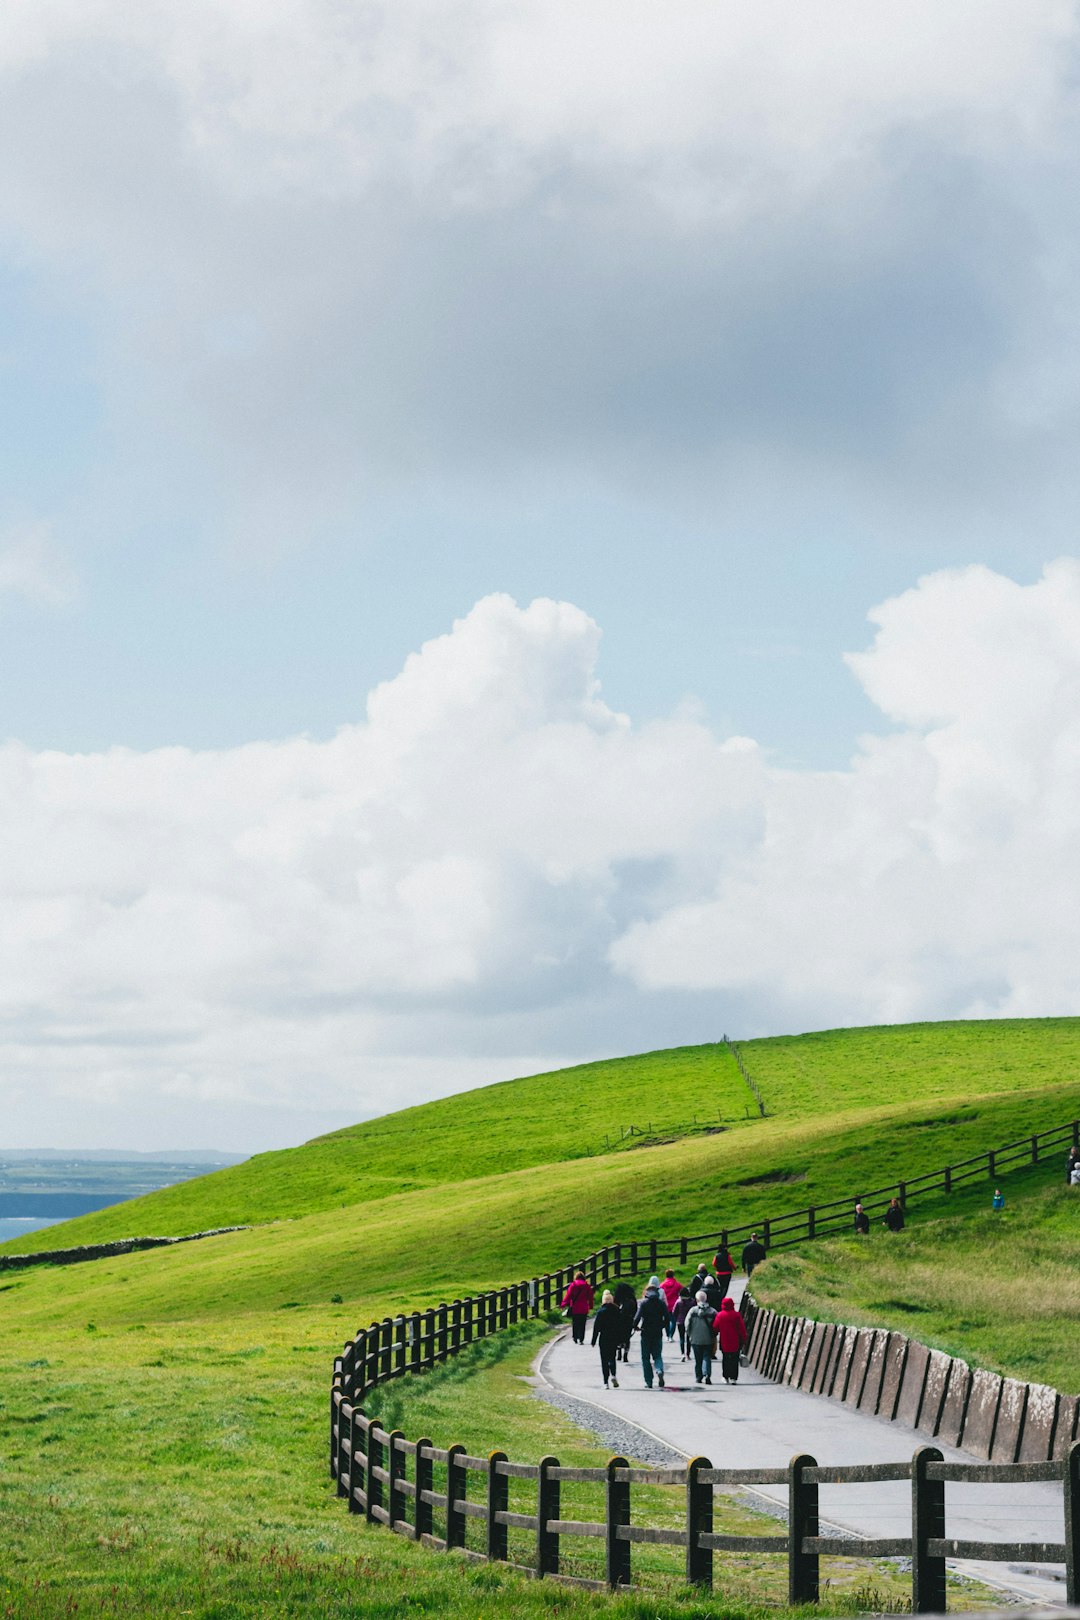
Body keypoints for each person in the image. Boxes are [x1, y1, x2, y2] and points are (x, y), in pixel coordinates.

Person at [633, 1278, 670, 1389]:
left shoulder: (644, 1303)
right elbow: (667, 1318)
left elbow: (637, 1318)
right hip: (657, 1332)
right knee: (657, 1355)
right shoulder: (661, 1303)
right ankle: (659, 1370)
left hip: (646, 1332)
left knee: (645, 1358)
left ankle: (649, 1381)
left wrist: (635, 1327)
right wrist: (662, 1326)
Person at [591, 1290, 623, 1388]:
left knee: (604, 1360)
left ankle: (606, 1382)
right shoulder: (617, 1311)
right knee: (612, 1357)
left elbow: (596, 1327)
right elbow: (620, 1326)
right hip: (614, 1337)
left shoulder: (600, 1312)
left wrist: (594, 1340)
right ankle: (613, 1375)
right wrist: (621, 1339)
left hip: (604, 1337)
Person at [685, 1291, 717, 1385]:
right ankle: (707, 1374)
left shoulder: (692, 1311)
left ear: (697, 1299)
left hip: (695, 1339)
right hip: (708, 1339)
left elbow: (687, 1324)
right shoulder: (712, 1311)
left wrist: (690, 1334)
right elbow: (716, 1325)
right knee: (706, 1357)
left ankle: (698, 1377)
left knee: (698, 1359)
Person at [715, 1296, 748, 1383]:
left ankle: (725, 1376)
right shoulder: (736, 1315)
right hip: (735, 1341)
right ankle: (733, 1378)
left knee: (725, 1359)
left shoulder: (720, 1315)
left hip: (724, 1340)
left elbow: (715, 1327)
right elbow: (741, 1328)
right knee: (734, 1359)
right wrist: (744, 1339)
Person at [561, 1273, 594, 1344]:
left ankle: (575, 1337)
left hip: (575, 1307)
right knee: (582, 1323)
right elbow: (590, 1297)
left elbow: (568, 1295)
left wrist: (563, 1304)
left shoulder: (573, 1285)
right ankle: (581, 1339)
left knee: (575, 1322)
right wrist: (591, 1306)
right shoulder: (587, 1286)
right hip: (584, 1307)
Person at [613, 1281, 637, 1362]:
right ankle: (625, 1355)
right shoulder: (632, 1299)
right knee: (627, 1337)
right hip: (629, 1320)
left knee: (618, 1336)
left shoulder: (617, 1298)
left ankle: (619, 1352)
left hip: (619, 1320)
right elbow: (635, 1310)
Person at [672, 1286, 694, 1359]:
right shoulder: (692, 1301)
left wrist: (676, 1318)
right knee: (688, 1338)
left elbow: (674, 1312)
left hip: (680, 1322)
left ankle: (682, 1354)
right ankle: (688, 1354)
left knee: (681, 1338)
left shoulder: (678, 1302)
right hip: (690, 1322)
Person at [660, 1270, 682, 1334]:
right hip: (674, 1306)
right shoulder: (677, 1284)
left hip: (665, 1306)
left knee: (666, 1321)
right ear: (673, 1275)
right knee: (673, 1321)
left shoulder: (662, 1285)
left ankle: (667, 1334)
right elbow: (683, 1290)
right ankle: (671, 1335)